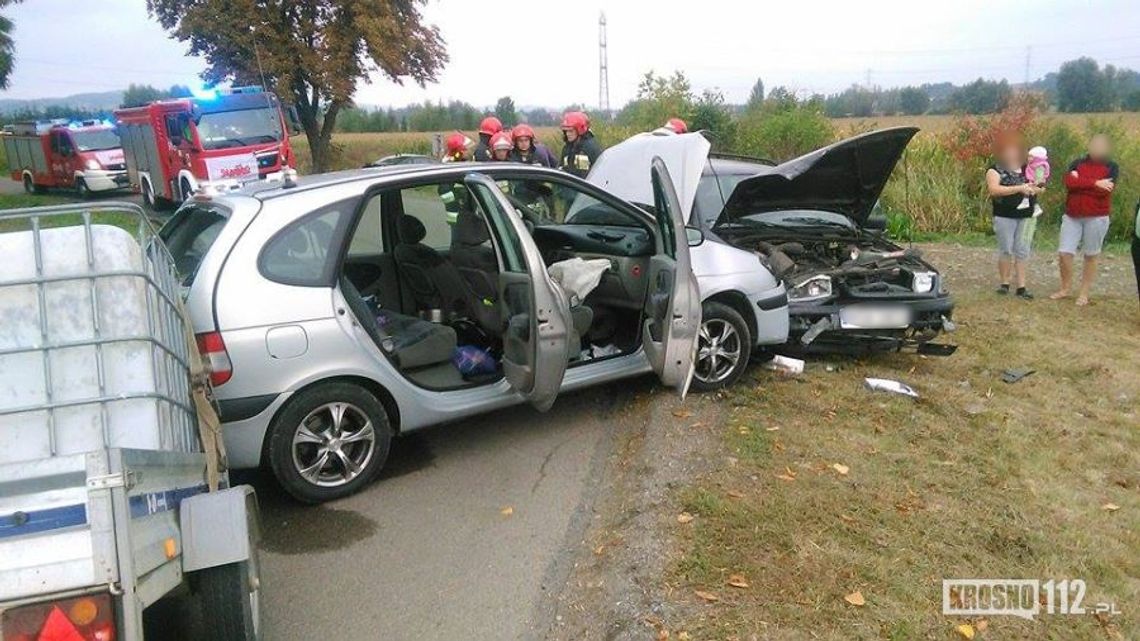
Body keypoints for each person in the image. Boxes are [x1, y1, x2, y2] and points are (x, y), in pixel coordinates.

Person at [1051, 134, 1119, 306]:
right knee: (1064, 252)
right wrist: (1095, 183)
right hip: (1072, 215)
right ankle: (1065, 287)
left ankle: (1084, 292)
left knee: (1091, 254)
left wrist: (1081, 183)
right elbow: (1068, 183)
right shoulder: (1077, 163)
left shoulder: (1112, 167)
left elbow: (1105, 191)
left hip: (1096, 217)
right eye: (1094, 144)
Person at [985, 139, 1040, 299]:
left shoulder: (1028, 169)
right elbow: (994, 190)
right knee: (1006, 249)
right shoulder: (994, 170)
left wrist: (1035, 188)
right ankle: (1005, 283)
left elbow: (1041, 186)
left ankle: (1021, 286)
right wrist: (1019, 188)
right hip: (1004, 216)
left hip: (1027, 216)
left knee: (1023, 250)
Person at [559, 111, 602, 178]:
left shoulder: (591, 148)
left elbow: (600, 171)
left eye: (571, 131)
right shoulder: (566, 148)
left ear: (580, 130)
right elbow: (560, 168)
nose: (567, 134)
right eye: (566, 131)